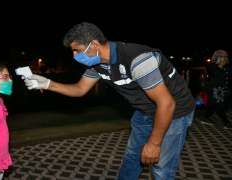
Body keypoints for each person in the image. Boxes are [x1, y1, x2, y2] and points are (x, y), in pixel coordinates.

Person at [23, 22, 195, 179]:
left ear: (95, 44)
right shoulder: (96, 63)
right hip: (144, 110)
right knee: (132, 156)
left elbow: (167, 103)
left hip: (174, 112)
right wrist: (47, 84)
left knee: (160, 167)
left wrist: (154, 143)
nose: (74, 55)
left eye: (77, 50)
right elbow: (79, 89)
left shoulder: (137, 59)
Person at [200, 50, 232, 129]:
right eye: (221, 57)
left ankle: (205, 118)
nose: (223, 59)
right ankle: (227, 123)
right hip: (215, 90)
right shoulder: (212, 65)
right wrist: (220, 65)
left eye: (225, 57)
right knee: (221, 106)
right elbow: (215, 73)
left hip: (224, 90)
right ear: (216, 57)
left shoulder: (226, 67)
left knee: (213, 106)